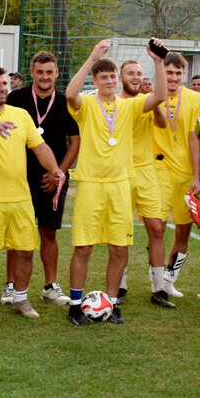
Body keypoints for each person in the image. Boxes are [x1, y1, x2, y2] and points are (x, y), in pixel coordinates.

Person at [65, 39, 167, 325]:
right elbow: (70, 93)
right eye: (103, 77)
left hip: (121, 184)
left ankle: (110, 304)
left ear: (117, 79)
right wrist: (91, 58)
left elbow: (160, 95)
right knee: (84, 247)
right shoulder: (86, 104)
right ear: (95, 80)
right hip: (91, 183)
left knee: (119, 248)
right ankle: (75, 306)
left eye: (112, 76)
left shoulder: (130, 105)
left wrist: (158, 61)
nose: (109, 81)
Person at [0, 66, 64, 324]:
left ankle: (20, 298)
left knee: (25, 250)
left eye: (4, 83)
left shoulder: (21, 115)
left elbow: (40, 147)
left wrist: (55, 169)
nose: (3, 88)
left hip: (21, 197)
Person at [5, 51, 80, 307]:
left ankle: (50, 286)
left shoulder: (66, 102)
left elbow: (75, 143)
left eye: (49, 72)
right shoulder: (16, 99)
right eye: (40, 72)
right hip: (20, 177)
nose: (45, 77)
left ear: (56, 73)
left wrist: (59, 172)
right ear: (32, 73)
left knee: (49, 231)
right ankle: (10, 285)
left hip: (54, 178)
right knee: (16, 234)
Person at [151, 52, 200, 297]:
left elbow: (194, 138)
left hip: (185, 173)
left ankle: (170, 279)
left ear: (184, 74)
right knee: (157, 229)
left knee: (183, 230)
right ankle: (156, 281)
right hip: (158, 170)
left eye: (177, 73)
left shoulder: (195, 99)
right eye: (168, 72)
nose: (173, 77)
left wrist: (197, 176)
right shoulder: (152, 96)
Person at [117, 58, 167, 305]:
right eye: (130, 73)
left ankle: (159, 289)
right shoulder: (115, 103)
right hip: (122, 173)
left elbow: (163, 124)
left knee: (156, 229)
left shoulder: (146, 102)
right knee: (121, 233)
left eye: (138, 73)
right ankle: (120, 287)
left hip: (147, 172)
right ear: (120, 78)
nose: (135, 77)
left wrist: (154, 102)